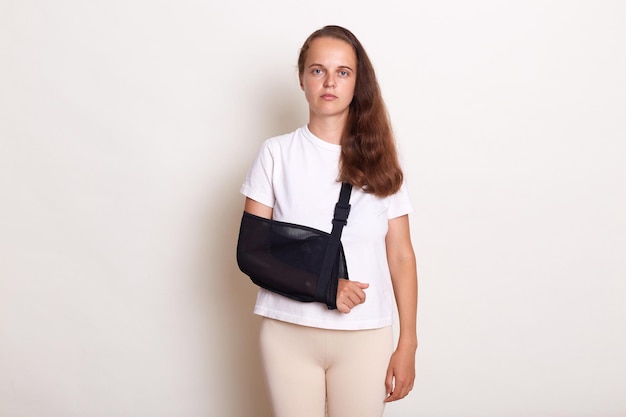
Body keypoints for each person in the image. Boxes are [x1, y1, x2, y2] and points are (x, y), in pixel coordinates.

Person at [240, 25, 418, 417]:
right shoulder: (276, 154)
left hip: (365, 334)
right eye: (318, 70)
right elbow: (251, 253)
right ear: (301, 78)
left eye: (343, 72)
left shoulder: (383, 161)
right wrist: (325, 287)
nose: (329, 82)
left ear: (358, 82)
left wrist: (408, 343)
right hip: (288, 330)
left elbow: (402, 256)